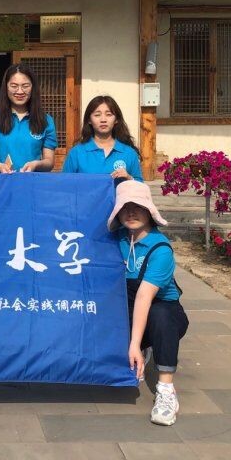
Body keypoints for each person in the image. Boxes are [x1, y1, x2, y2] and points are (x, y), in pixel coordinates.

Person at [107, 180, 189, 426]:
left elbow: (144, 296)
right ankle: (138, 348)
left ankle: (166, 389)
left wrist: (134, 344)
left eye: (138, 207)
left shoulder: (160, 249)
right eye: (125, 208)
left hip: (161, 311)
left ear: (149, 211)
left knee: (160, 316)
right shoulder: (115, 239)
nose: (131, 213)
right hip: (126, 308)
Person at [0, 63, 57, 173]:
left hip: (33, 182)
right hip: (1, 182)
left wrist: (36, 164)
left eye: (25, 86)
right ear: (6, 87)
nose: (20, 91)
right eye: (14, 86)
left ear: (33, 87)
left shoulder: (46, 120)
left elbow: (49, 162)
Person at [62, 95, 143, 181]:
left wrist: (129, 178)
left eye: (109, 115)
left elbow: (140, 186)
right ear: (89, 120)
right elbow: (64, 184)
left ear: (116, 119)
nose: (103, 120)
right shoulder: (77, 153)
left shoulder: (129, 153)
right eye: (97, 115)